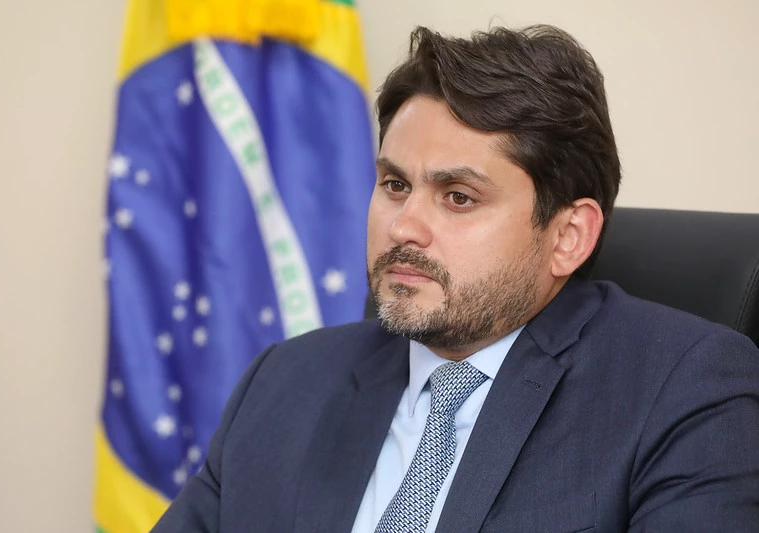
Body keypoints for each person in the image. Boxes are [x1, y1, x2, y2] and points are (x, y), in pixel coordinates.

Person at [151, 24, 759, 532]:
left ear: (568, 236)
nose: (403, 227)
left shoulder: (685, 392)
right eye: (395, 185)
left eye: (459, 197)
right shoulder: (283, 382)